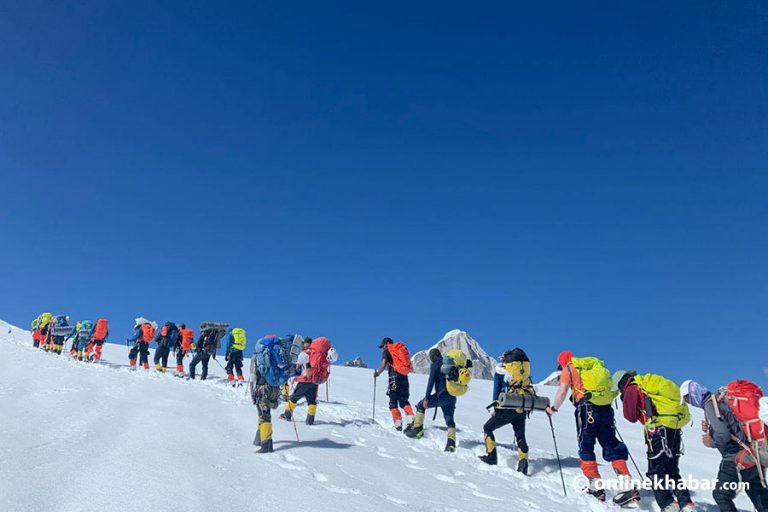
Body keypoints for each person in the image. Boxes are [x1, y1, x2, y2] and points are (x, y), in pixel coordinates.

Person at [545, 351, 633, 504]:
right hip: (605, 408)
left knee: (586, 446)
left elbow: (563, 390)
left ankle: (596, 487)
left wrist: (553, 409)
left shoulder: (569, 368)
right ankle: (627, 486)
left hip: (586, 409)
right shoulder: (591, 366)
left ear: (562, 362)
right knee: (611, 444)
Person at [681, 380, 768, 512]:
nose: (689, 403)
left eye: (688, 399)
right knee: (759, 496)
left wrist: (709, 442)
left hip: (735, 458)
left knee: (721, 495)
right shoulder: (718, 401)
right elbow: (731, 426)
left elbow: (724, 435)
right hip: (751, 454)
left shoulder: (710, 405)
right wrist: (711, 428)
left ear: (693, 394)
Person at [614, 371, 694, 512]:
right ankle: (686, 503)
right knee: (672, 470)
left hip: (657, 430)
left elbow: (630, 416)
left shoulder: (632, 388)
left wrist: (625, 399)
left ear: (621, 384)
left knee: (656, 471)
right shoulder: (648, 384)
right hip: (674, 427)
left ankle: (668, 504)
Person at [480, 348, 533, 474]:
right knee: (520, 435)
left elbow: (497, 390)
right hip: (521, 406)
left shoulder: (501, 372)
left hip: (506, 408)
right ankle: (523, 464)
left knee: (487, 428)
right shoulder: (523, 371)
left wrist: (495, 408)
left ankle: (491, 457)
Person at [405, 348, 465, 453]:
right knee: (450, 420)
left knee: (420, 405)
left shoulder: (436, 365)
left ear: (432, 356)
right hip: (452, 397)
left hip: (441, 396)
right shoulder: (449, 364)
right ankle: (451, 444)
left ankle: (417, 429)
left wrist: (427, 398)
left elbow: (431, 382)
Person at [280, 337, 332, 425]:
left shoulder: (304, 354)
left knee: (294, 397)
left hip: (305, 379)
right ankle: (310, 420)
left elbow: (297, 367)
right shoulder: (317, 354)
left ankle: (287, 415)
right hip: (315, 380)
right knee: (311, 401)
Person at [373, 337, 414, 432]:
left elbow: (383, 364)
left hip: (394, 379)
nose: (383, 348)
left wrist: (378, 373)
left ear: (386, 344)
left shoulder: (387, 351)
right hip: (404, 377)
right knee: (404, 401)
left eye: (383, 346)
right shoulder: (399, 349)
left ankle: (398, 425)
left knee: (393, 402)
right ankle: (411, 420)